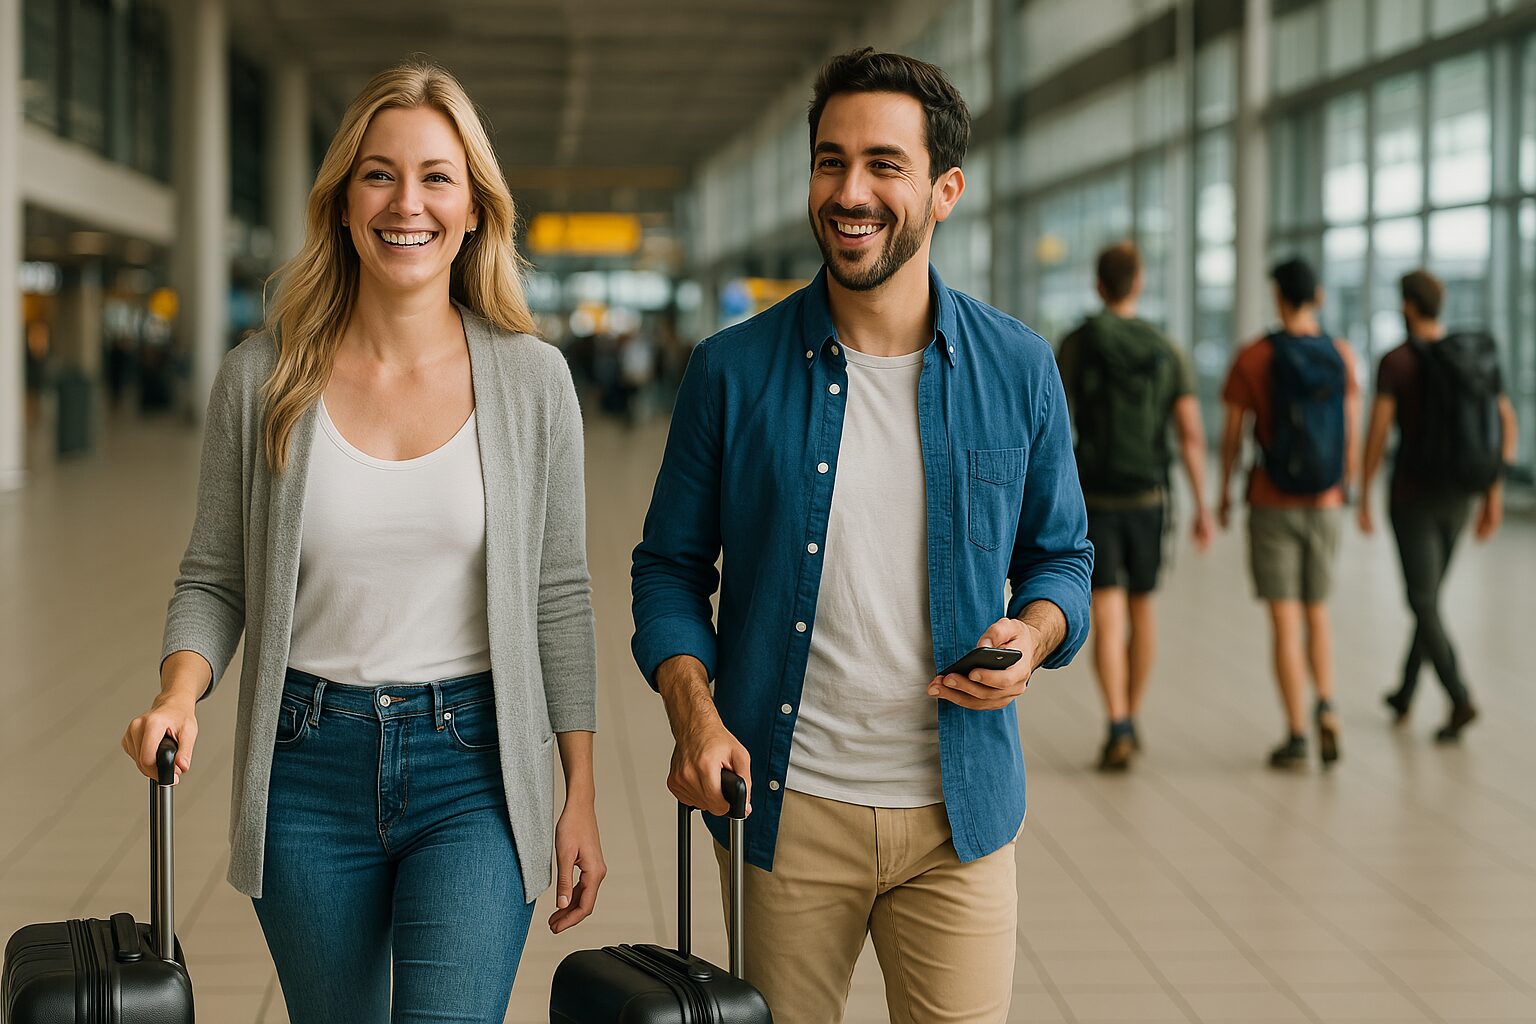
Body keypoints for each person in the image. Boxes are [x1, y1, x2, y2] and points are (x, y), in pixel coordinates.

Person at [120, 61, 605, 1024]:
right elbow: (216, 579)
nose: (406, 202)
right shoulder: (263, 377)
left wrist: (579, 788)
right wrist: (179, 693)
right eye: (378, 174)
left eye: (437, 176)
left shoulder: (532, 381)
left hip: (475, 767)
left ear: (474, 209)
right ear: (342, 202)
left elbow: (559, 594)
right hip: (307, 765)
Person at [631, 48, 1092, 1024]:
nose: (851, 191)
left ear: (944, 189)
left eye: (884, 163)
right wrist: (694, 710)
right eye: (830, 161)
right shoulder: (731, 371)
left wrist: (1037, 633)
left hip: (959, 818)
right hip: (784, 817)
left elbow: (1063, 556)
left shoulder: (1018, 367)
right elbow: (669, 569)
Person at [1057, 241, 1212, 772]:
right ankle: (1134, 715)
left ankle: (1116, 719)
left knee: (1108, 609)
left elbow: (1053, 424)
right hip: (1148, 495)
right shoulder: (1165, 348)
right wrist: (1203, 505)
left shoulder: (1078, 343)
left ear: (1099, 285)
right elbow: (1190, 434)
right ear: (1137, 284)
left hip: (1093, 494)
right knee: (1142, 609)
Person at [1358, 269, 1519, 742]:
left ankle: (1459, 696)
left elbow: (1379, 430)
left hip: (1413, 495)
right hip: (1462, 493)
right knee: (1428, 597)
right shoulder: (1472, 358)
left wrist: (1363, 490)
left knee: (1422, 599)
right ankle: (1406, 691)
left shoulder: (1397, 362)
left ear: (1408, 305)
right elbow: (1503, 423)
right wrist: (1493, 490)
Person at [1217, 258, 1359, 770]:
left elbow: (1233, 432)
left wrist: (1225, 491)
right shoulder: (1340, 354)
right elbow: (1349, 427)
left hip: (1271, 499)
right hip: (1325, 501)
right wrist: (1347, 485)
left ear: (1278, 297)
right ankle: (1327, 703)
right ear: (1316, 296)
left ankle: (1297, 734)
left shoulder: (1255, 356)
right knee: (1316, 611)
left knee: (1284, 619)